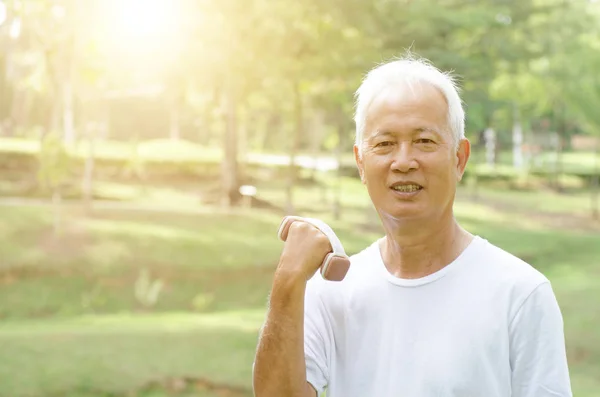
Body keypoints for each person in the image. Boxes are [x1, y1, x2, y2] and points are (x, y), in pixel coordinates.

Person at [252, 55, 572, 397]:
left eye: (424, 141)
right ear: (361, 162)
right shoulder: (333, 290)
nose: (403, 162)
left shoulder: (520, 294)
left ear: (459, 158)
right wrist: (288, 282)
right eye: (385, 144)